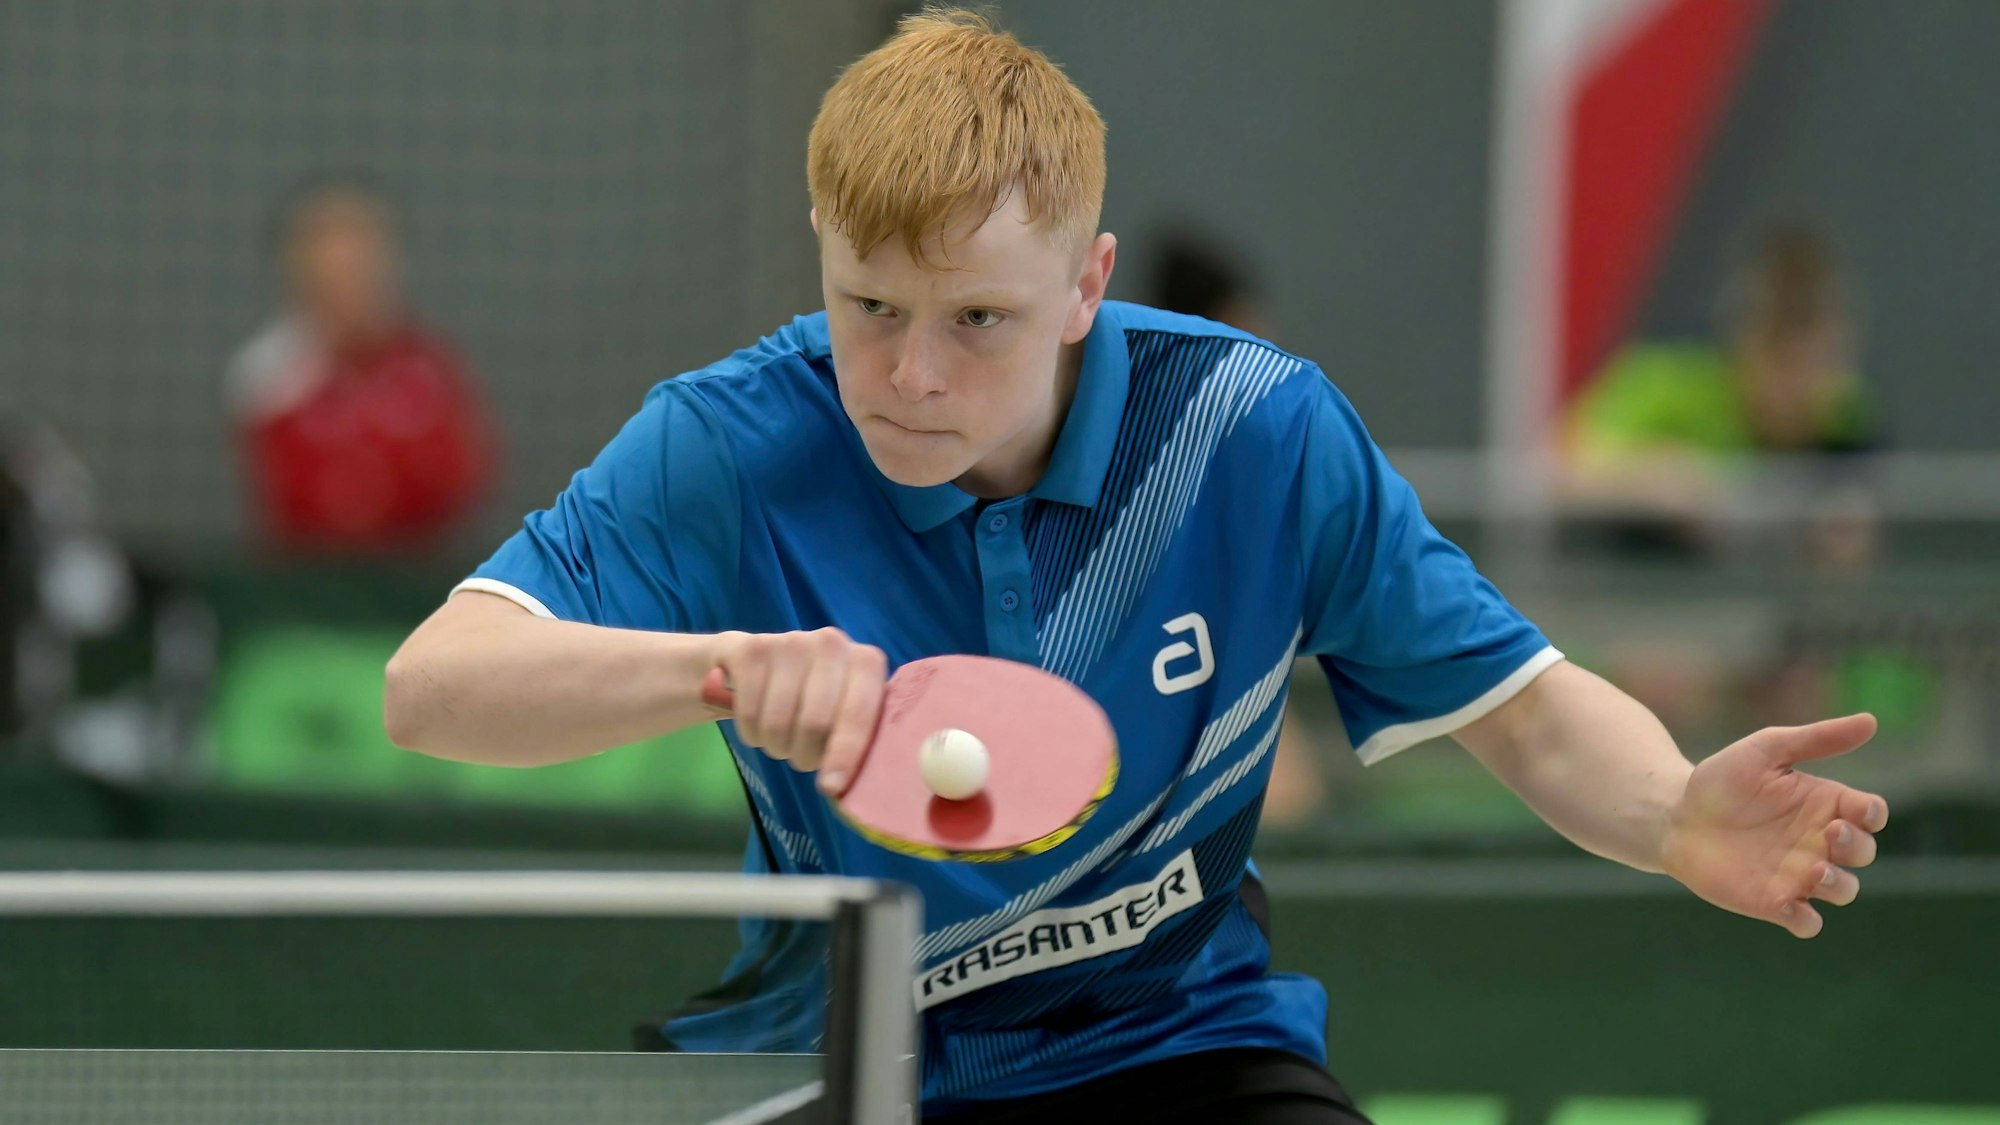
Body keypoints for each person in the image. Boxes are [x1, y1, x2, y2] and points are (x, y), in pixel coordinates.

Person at [384, 11, 1889, 1122]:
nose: (908, 373)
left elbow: (1525, 707)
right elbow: (432, 693)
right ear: (821, 250)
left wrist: (1674, 813)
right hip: (850, 1065)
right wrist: (712, 671)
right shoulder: (728, 443)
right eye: (868, 304)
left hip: (1186, 1048)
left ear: (1087, 283)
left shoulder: (1252, 432)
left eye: (975, 318)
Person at [227, 174, 499, 556]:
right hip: (310, 584)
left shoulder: (428, 368)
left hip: (420, 581)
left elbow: (457, 480)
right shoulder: (271, 376)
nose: (346, 267)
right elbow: (300, 499)